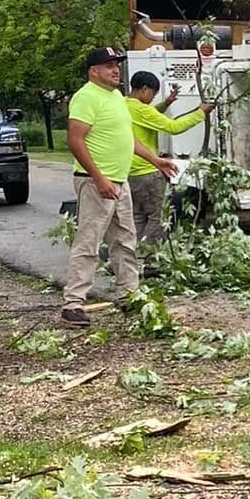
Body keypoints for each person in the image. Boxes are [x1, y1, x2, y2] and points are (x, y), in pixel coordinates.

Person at [61, 47, 177, 328]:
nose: (116, 70)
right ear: (93, 71)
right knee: (89, 241)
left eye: (117, 64)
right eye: (108, 65)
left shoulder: (115, 98)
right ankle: (73, 304)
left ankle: (129, 294)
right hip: (95, 182)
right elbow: (75, 141)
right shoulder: (86, 97)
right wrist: (99, 179)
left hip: (120, 180)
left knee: (125, 239)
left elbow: (127, 139)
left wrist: (155, 159)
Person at [125, 68, 213, 248]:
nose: (152, 99)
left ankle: (131, 255)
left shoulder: (124, 105)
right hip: (148, 172)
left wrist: (166, 103)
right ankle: (151, 256)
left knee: (138, 216)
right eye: (153, 94)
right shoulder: (142, 110)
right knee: (158, 218)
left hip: (130, 173)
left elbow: (147, 115)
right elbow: (174, 127)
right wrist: (200, 113)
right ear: (144, 89)